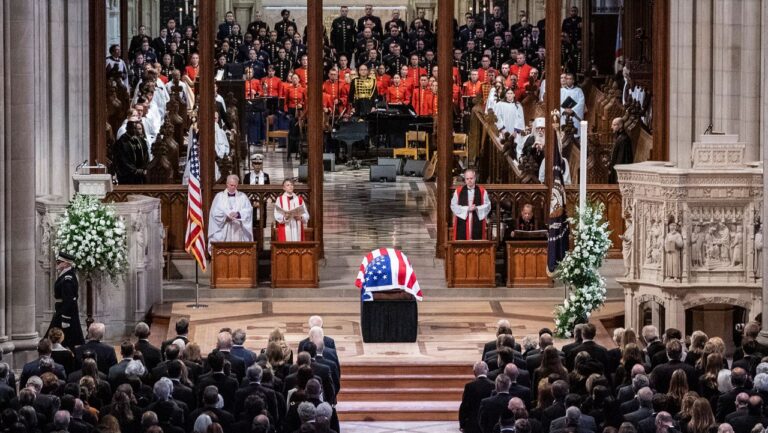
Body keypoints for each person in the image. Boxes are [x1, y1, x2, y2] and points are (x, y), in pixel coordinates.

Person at [46, 252, 84, 348]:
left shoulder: (68, 278)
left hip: (65, 313)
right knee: (65, 340)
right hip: (61, 310)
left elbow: (69, 300)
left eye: (59, 262)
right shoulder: (65, 275)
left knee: (63, 339)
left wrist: (65, 318)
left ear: (67, 263)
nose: (57, 264)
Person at [208, 175, 254, 249]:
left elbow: (248, 210)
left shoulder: (243, 197)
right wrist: (225, 218)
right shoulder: (219, 197)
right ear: (227, 184)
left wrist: (238, 214)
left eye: (235, 185)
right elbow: (214, 213)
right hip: (224, 228)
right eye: (231, 185)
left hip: (238, 229)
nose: (233, 187)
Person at [450, 168, 491, 240]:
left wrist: (477, 208)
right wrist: (467, 209)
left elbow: (488, 205)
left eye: (471, 178)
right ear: (465, 179)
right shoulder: (459, 191)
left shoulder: (482, 191)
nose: (469, 180)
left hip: (477, 218)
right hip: (463, 218)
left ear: (475, 178)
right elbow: (453, 206)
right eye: (467, 178)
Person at [609, 117, 633, 183]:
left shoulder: (624, 139)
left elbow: (622, 159)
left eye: (614, 125)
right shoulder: (619, 137)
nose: (611, 127)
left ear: (620, 126)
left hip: (620, 174)